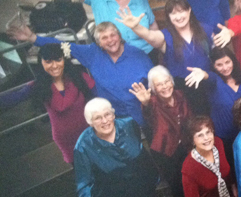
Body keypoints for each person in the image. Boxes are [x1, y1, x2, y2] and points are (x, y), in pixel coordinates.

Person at [9, 22, 152, 126]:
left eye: (113, 35)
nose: (110, 40)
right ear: (98, 43)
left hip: (141, 114)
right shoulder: (92, 53)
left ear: (119, 36)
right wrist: (33, 38)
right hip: (111, 118)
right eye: (104, 38)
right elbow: (61, 44)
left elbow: (154, 83)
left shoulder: (138, 55)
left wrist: (149, 103)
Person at [74, 98, 168, 197]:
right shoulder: (83, 145)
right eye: (98, 118)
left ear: (113, 114)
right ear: (90, 122)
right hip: (115, 191)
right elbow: (84, 181)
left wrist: (153, 176)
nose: (105, 121)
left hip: (141, 182)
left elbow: (141, 152)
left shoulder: (129, 124)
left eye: (107, 114)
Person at [115, 0, 211, 115]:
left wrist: (228, 33)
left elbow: (219, 47)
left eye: (181, 11)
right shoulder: (165, 36)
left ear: (189, 10)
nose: (179, 17)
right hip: (183, 92)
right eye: (173, 13)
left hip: (208, 82)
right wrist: (136, 27)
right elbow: (150, 36)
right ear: (169, 17)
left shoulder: (204, 29)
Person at [0, 43, 95, 164]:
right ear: (42, 63)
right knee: (80, 171)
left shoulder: (79, 77)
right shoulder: (39, 86)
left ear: (64, 60)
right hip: (65, 140)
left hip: (89, 131)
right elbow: (13, 98)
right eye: (48, 61)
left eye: (58, 60)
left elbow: (100, 97)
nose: (54, 65)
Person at [129, 66, 190, 197]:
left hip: (185, 145)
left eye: (166, 81)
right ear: (154, 88)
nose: (165, 86)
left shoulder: (180, 95)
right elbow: (148, 113)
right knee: (176, 183)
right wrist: (145, 103)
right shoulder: (153, 103)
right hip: (166, 151)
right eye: (159, 84)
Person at [185, 48, 241, 173]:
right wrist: (202, 74)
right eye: (219, 64)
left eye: (227, 62)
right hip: (225, 137)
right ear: (213, 66)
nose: (225, 67)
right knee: (233, 169)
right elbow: (209, 77)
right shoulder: (214, 81)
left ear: (233, 61)